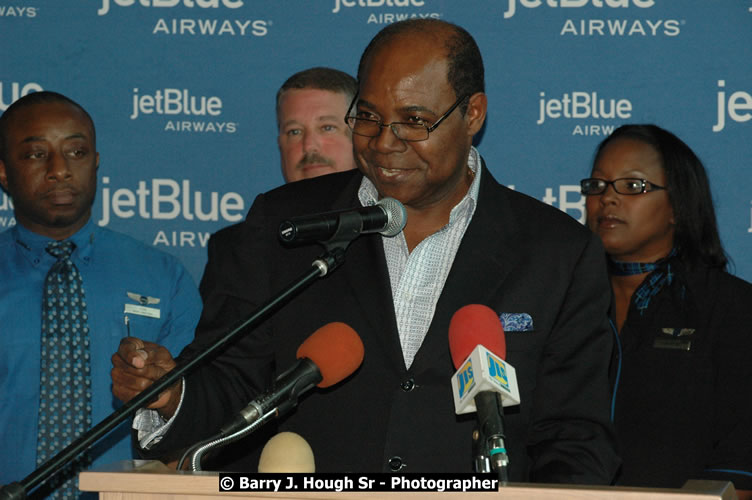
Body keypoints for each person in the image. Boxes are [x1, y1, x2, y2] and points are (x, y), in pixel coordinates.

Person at [112, 19, 619, 482]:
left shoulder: (557, 252)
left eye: (413, 120)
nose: (384, 143)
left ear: (473, 114)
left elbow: (574, 437)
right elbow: (233, 385)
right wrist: (175, 394)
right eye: (370, 118)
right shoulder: (286, 226)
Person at [0, 91, 201, 498]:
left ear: (95, 162)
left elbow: (198, 418)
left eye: (76, 151)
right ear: (4, 172)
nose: (60, 170)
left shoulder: (163, 277)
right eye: (37, 154)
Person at [582, 124, 752, 489]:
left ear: (677, 205)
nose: (607, 199)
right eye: (598, 185)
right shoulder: (567, 305)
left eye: (633, 186)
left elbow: (742, 456)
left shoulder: (733, 309)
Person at [276, 67, 357, 183]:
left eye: (327, 128)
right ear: (280, 144)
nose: (309, 146)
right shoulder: (264, 201)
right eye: (295, 132)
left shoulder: (388, 199)